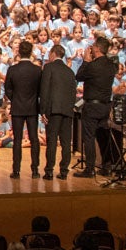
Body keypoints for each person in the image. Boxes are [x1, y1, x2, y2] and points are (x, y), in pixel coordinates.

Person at [74, 35, 117, 178]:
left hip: (92, 106)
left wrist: (86, 61)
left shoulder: (92, 66)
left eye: (92, 46)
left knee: (89, 138)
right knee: (103, 136)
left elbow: (79, 76)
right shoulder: (111, 65)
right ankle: (106, 166)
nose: (91, 48)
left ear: (97, 48)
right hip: (105, 106)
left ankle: (90, 169)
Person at [5, 40, 42, 179]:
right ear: (31, 52)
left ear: (19, 52)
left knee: (17, 140)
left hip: (17, 107)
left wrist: (15, 99)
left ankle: (16, 170)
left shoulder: (12, 69)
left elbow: (8, 89)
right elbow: (41, 90)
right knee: (34, 139)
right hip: (32, 108)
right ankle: (35, 170)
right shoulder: (37, 70)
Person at [40, 43, 77, 180]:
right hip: (67, 110)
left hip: (53, 109)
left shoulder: (48, 67)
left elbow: (44, 89)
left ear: (53, 53)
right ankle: (64, 171)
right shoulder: (70, 71)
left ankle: (49, 171)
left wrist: (43, 110)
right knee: (66, 142)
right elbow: (73, 93)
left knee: (52, 141)